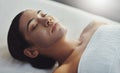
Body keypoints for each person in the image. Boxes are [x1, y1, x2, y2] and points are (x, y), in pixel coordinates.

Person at [7, 9, 107, 73]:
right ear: (32, 52)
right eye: (35, 25)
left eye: (43, 14)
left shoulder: (95, 26)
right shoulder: (65, 71)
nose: (46, 19)